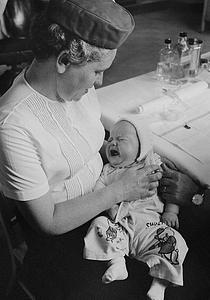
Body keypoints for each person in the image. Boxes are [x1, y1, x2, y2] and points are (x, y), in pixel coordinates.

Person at [0, 0, 163, 298]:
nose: (99, 82)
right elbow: (48, 221)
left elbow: (87, 144)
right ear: (63, 60)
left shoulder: (76, 89)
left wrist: (129, 159)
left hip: (108, 200)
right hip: (66, 237)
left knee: (170, 244)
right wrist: (120, 190)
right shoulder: (13, 124)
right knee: (139, 284)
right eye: (97, 71)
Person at [84, 116, 188, 300]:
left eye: (121, 139)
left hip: (151, 229)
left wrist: (171, 211)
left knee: (176, 241)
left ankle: (159, 284)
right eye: (110, 139)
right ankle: (116, 262)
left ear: (142, 147)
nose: (112, 143)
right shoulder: (108, 170)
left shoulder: (151, 164)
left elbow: (171, 187)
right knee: (99, 224)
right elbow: (98, 190)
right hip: (120, 227)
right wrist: (111, 207)